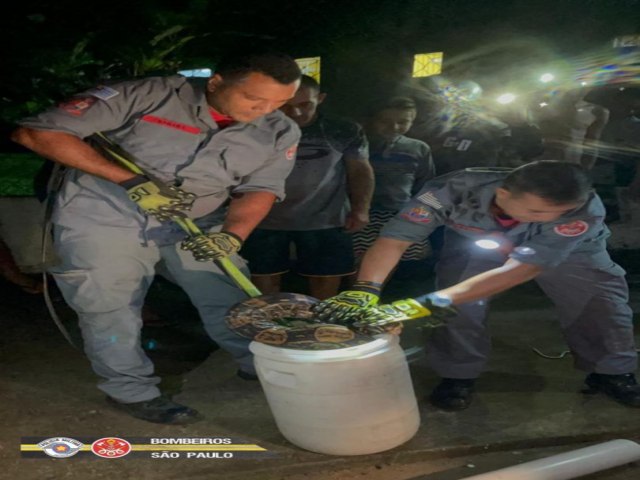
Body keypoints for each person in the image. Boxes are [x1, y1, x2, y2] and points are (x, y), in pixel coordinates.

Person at [10, 50, 302, 424]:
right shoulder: (147, 95)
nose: (265, 109)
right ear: (216, 82)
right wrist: (131, 182)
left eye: (279, 102)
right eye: (254, 98)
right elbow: (38, 131)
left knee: (228, 294)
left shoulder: (279, 130)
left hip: (197, 221)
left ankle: (260, 365)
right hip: (105, 215)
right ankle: (130, 390)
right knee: (109, 305)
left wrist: (233, 235)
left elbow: (261, 188)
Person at [313, 161, 639, 410]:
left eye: (559, 213)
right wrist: (365, 289)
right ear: (503, 194)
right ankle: (458, 374)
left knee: (601, 305)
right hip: (478, 241)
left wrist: (426, 303)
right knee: (459, 309)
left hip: (575, 253)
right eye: (536, 211)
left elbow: (521, 269)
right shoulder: (450, 190)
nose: (546, 218)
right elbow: (396, 239)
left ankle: (611, 371)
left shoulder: (582, 209)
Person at [241, 75, 374, 299]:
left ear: (320, 99)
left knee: (325, 280)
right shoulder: (253, 128)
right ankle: (268, 327)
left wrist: (361, 208)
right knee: (263, 277)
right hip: (263, 217)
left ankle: (321, 328)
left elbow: (360, 170)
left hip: (325, 218)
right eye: (286, 106)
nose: (296, 114)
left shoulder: (342, 129)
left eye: (305, 105)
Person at [352, 97, 435, 269]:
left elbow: (424, 183)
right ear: (373, 119)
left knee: (388, 259)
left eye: (403, 122)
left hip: (398, 213)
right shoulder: (358, 144)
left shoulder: (419, 148)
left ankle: (373, 293)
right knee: (359, 260)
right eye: (385, 121)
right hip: (362, 213)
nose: (394, 127)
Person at [536, 87, 610, 170]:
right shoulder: (542, 110)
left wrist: (586, 167)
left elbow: (592, 140)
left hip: (574, 160)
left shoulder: (596, 111)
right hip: (546, 160)